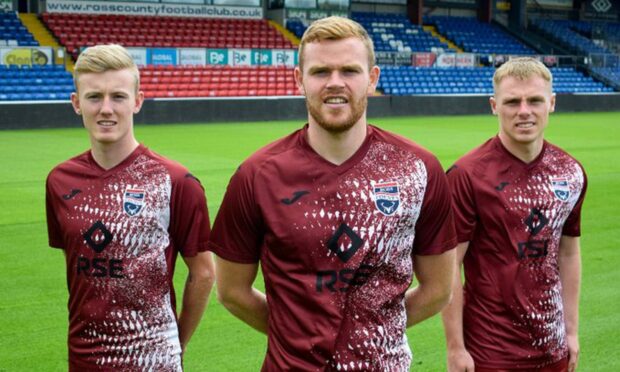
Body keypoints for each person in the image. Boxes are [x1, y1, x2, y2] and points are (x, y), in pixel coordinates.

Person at [208, 16, 457, 371]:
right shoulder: (256, 175)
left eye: (350, 71)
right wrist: (292, 336)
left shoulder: (419, 169)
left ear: (372, 79)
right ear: (300, 80)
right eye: (321, 71)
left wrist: (371, 332)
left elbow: (438, 290)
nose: (335, 83)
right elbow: (232, 292)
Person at [45, 44, 214, 371]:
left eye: (118, 96)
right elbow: (77, 265)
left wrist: (176, 342)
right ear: (76, 103)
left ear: (137, 101)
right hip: (83, 359)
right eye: (94, 97)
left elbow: (204, 272)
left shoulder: (175, 181)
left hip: (154, 361)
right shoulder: (59, 181)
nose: (106, 109)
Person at [441, 57, 587, 372]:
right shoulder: (467, 175)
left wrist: (571, 330)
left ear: (552, 103)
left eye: (534, 100)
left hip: (553, 346)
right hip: (491, 350)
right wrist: (455, 348)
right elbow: (448, 265)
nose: (524, 111)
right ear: (494, 105)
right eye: (512, 102)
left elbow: (569, 253)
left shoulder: (570, 171)